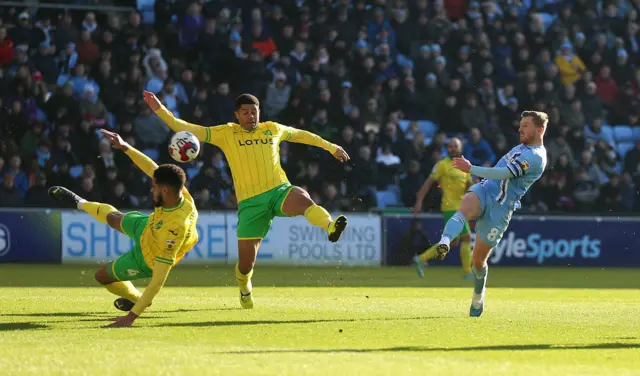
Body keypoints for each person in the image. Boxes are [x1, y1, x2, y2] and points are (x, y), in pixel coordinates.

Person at [142, 91, 349, 309]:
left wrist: (331, 147)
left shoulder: (272, 129)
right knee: (245, 265)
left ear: (259, 112)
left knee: (304, 199)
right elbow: (182, 126)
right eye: (245, 113)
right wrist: (158, 108)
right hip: (251, 205)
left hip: (279, 190)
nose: (250, 116)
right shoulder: (226, 133)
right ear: (237, 115)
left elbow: (302, 135)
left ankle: (330, 226)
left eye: (254, 112)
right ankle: (244, 286)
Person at [48, 129, 198, 328]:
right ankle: (79, 202)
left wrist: (130, 318)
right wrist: (126, 147)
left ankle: (135, 298)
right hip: (149, 226)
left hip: (149, 256)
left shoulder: (175, 228)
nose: (151, 189)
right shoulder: (180, 194)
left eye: (153, 186)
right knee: (114, 218)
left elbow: (158, 281)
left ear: (164, 190)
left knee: (102, 276)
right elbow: (152, 167)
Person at [435, 111, 547, 317]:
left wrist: (472, 169)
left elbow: (504, 173)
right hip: (485, 190)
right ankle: (444, 240)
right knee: (464, 210)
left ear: (540, 130)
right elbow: (498, 173)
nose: (520, 129)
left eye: (526, 126)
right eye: (520, 125)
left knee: (478, 262)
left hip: (501, 208)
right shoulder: (522, 147)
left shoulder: (536, 157)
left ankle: (478, 296)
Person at [412, 138, 472, 279]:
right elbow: (428, 183)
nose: (451, 149)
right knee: (466, 237)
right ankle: (468, 273)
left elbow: (469, 186)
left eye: (455, 146)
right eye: (449, 146)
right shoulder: (442, 165)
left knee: (452, 241)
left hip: (462, 206)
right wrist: (419, 201)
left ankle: (421, 259)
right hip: (451, 207)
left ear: (460, 148)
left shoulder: (465, 166)